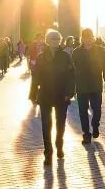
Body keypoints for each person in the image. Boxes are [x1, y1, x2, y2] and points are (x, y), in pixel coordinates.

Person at [28, 29, 75, 166]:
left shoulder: (66, 56)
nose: (55, 41)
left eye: (57, 39)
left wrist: (69, 92)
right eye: (52, 39)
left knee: (60, 124)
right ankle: (48, 153)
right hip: (45, 95)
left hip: (62, 95)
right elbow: (35, 77)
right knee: (46, 125)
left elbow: (71, 76)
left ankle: (59, 145)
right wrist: (32, 94)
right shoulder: (41, 57)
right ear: (47, 41)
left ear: (60, 41)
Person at [71, 29, 105, 145]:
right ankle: (86, 134)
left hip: (96, 86)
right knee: (82, 112)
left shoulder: (100, 51)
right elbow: (71, 71)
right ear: (82, 38)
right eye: (85, 37)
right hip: (81, 86)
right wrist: (71, 87)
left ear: (93, 38)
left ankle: (95, 125)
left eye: (90, 37)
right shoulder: (76, 52)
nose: (88, 40)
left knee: (97, 110)